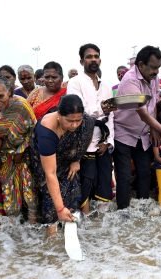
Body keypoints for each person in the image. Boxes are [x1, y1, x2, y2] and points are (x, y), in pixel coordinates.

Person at [113, 45, 161, 209]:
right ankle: (123, 213)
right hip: (124, 132)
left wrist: (152, 129)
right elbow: (143, 113)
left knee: (144, 172)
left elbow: (152, 106)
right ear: (141, 64)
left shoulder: (152, 78)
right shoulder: (130, 80)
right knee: (124, 176)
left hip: (143, 133)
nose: (156, 72)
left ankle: (143, 214)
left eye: (158, 68)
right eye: (153, 68)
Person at [31, 94, 95, 233]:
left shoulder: (86, 122)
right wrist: (59, 209)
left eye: (78, 120)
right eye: (70, 121)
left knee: (73, 190)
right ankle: (51, 244)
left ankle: (79, 228)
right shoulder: (46, 131)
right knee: (50, 203)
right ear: (59, 115)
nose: (74, 125)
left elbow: (85, 139)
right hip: (45, 164)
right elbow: (50, 174)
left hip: (68, 160)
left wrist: (76, 159)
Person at [67, 43, 114, 208]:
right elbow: (77, 111)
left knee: (104, 186)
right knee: (84, 185)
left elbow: (110, 116)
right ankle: (86, 226)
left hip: (102, 142)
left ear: (100, 59)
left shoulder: (107, 86)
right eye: (89, 57)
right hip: (83, 143)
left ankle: (103, 230)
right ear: (82, 61)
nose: (93, 59)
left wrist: (108, 141)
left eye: (96, 56)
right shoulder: (75, 83)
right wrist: (101, 109)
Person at [0, 74, 37, 221]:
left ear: (9, 91)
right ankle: (14, 239)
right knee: (9, 197)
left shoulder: (20, 105)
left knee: (30, 196)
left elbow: (33, 132)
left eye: (0, 96)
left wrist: (20, 151)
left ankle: (33, 235)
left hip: (26, 157)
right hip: (5, 159)